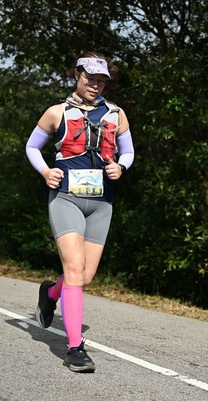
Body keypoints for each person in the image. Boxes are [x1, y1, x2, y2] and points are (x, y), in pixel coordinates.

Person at [25, 52, 135, 373]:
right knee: (74, 269)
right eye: (90, 78)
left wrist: (121, 167)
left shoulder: (116, 114)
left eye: (101, 81)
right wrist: (46, 171)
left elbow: (128, 151)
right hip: (66, 198)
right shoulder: (56, 112)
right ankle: (75, 349)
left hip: (101, 202)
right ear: (77, 74)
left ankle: (50, 294)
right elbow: (32, 147)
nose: (95, 85)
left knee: (84, 277)